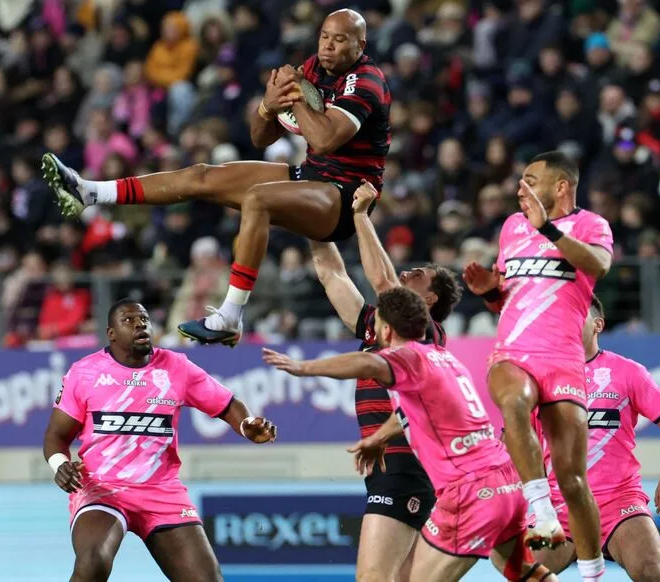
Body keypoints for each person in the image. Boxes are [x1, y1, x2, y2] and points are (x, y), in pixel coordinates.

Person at [41, 8, 391, 346]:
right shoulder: (314, 67)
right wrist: (267, 106)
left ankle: (230, 315)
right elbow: (260, 138)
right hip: (312, 176)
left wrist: (296, 95)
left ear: (360, 45)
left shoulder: (367, 82)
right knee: (203, 175)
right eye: (324, 37)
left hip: (346, 196)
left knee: (259, 198)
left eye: (339, 40)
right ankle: (90, 192)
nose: (327, 45)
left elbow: (325, 139)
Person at [262, 287, 555, 582]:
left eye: (376, 326)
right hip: (505, 482)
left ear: (386, 330)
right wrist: (380, 437)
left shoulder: (407, 358)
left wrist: (304, 367)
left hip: (470, 492)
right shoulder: (445, 359)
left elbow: (369, 363)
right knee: (525, 571)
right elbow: (411, 413)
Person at [42, 299, 277, 582]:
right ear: (111, 333)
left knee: (208, 579)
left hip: (161, 491)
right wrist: (59, 465)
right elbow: (56, 436)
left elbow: (227, 404)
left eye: (144, 319)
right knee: (93, 563)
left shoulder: (176, 367)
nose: (140, 324)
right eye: (128, 320)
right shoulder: (85, 372)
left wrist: (246, 423)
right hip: (101, 488)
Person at [463, 151, 613, 581]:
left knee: (573, 480)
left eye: (529, 179)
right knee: (513, 401)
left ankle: (592, 573)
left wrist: (546, 228)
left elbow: (598, 265)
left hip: (563, 358)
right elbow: (509, 294)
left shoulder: (591, 226)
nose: (519, 188)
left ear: (560, 186)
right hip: (513, 350)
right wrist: (490, 292)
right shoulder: (511, 227)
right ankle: (540, 508)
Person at [310, 182, 461, 582]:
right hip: (392, 466)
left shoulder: (426, 332)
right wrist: (309, 220)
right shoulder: (378, 329)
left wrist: (359, 215)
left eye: (419, 276)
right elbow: (331, 274)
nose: (409, 271)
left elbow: (385, 284)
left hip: (407, 464)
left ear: (428, 302)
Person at [493, 295, 660, 581]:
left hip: (618, 502)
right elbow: (511, 439)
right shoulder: (537, 379)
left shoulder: (627, 372)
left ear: (598, 325)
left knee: (653, 571)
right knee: (522, 573)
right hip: (558, 505)